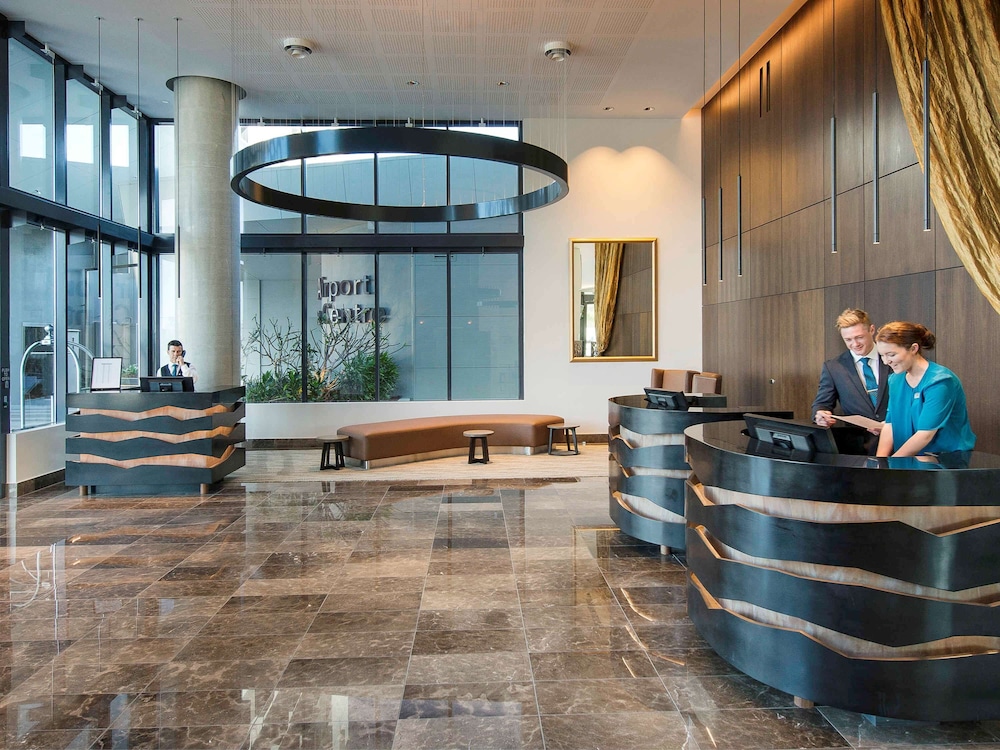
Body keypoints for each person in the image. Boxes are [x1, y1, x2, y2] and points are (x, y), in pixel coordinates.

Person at [875, 321, 975, 457]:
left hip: (946, 460)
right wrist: (880, 462)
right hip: (907, 459)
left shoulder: (940, 381)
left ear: (913, 348)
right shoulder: (895, 380)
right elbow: (890, 424)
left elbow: (925, 435)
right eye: (882, 355)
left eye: (891, 355)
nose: (886, 361)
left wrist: (894, 463)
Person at [811, 309, 890, 448]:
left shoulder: (893, 357)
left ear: (872, 330)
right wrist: (821, 415)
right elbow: (822, 403)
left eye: (859, 337)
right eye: (848, 340)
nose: (855, 344)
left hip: (900, 438)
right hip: (859, 445)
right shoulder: (833, 367)